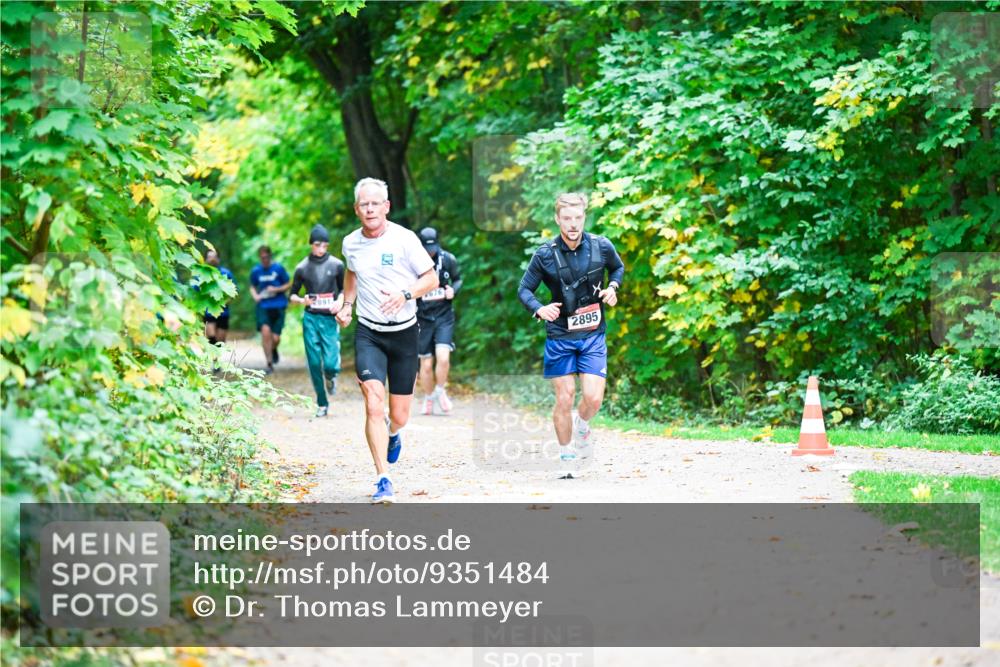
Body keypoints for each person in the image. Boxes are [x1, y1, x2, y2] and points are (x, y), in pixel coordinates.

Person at [336, 177, 439, 504]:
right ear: (357, 209)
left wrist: (405, 294)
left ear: (386, 207)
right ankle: (383, 478)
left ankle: (394, 433)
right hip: (369, 333)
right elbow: (352, 273)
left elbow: (431, 278)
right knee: (372, 402)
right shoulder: (350, 243)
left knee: (400, 416)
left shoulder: (405, 239)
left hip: (405, 334)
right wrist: (347, 305)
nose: (370, 209)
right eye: (364, 204)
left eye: (375, 203)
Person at [517, 192, 625, 476]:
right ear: (557, 219)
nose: (573, 224)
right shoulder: (545, 254)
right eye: (567, 218)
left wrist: (612, 288)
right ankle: (567, 456)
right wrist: (539, 309)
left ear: (584, 217)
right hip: (560, 335)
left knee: (593, 399)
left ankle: (583, 425)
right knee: (565, 397)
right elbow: (524, 289)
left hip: (592, 334)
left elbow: (617, 268)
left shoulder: (602, 246)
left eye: (578, 217)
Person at [289, 225, 345, 418]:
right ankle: (322, 403)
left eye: (325, 245)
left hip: (329, 318)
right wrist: (301, 300)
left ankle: (331, 377)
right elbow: (292, 295)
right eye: (318, 245)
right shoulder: (302, 267)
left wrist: (339, 301)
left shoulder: (336, 265)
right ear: (311, 244)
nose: (321, 249)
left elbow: (344, 289)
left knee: (330, 365)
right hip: (311, 318)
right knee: (314, 363)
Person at [416, 227, 462, 416]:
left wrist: (453, 290)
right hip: (422, 318)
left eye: (433, 248)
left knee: (443, 358)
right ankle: (428, 398)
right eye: (427, 249)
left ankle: (440, 391)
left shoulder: (448, 259)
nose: (430, 252)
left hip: (444, 316)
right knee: (426, 364)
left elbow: (458, 279)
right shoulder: (412, 261)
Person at [249, 245, 290, 375]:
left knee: (275, 338)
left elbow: (288, 284)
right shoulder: (256, 270)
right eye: (262, 258)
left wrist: (276, 289)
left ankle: (273, 349)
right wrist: (255, 296)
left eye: (266, 257)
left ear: (270, 256)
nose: (264, 260)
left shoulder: (278, 268)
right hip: (263, 306)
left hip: (278, 305)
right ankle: (269, 364)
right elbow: (252, 286)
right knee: (265, 332)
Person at [202, 250, 236, 348]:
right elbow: (195, 291)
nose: (212, 259)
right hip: (208, 311)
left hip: (223, 312)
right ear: (205, 259)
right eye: (210, 257)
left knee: (220, 342)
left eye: (215, 257)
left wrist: (224, 302)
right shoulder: (201, 273)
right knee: (211, 338)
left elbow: (233, 292)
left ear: (219, 259)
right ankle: (212, 355)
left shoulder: (226, 273)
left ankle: (217, 355)